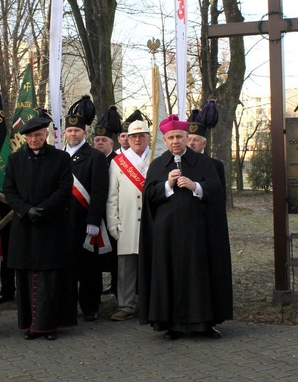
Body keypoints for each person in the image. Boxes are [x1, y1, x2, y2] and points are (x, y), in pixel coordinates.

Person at [139, 114, 233, 340]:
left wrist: (196, 186)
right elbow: (149, 196)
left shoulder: (204, 163)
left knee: (200, 275)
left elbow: (217, 192)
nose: (175, 141)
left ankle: (204, 324)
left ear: (186, 137)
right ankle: (173, 325)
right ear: (165, 139)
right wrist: (167, 185)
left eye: (179, 137)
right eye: (170, 137)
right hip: (167, 234)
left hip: (198, 232)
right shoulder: (158, 164)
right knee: (170, 276)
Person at [3, 115, 76, 340]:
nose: (34, 139)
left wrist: (42, 210)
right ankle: (29, 323)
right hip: (24, 226)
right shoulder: (15, 160)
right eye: (30, 136)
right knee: (26, 277)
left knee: (49, 277)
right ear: (25, 138)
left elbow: (64, 189)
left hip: (50, 225)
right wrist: (26, 210)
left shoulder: (61, 158)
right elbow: (9, 190)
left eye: (38, 135)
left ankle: (49, 325)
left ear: (46, 135)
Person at [63, 98, 109, 322]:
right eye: (70, 130)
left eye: (77, 130)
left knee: (89, 267)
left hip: (85, 219)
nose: (73, 134)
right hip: (63, 221)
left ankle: (90, 306)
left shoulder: (96, 157)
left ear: (84, 132)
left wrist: (94, 220)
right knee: (67, 266)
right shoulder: (58, 156)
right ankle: (68, 305)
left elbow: (100, 192)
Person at [106, 119, 151, 321]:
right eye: (134, 136)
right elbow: (112, 195)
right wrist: (113, 221)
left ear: (149, 138)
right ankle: (126, 305)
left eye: (142, 136)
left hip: (153, 222)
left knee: (153, 264)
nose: (138, 140)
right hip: (126, 220)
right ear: (128, 139)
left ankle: (152, 303)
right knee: (126, 266)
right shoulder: (118, 162)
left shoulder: (157, 159)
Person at [93, 105, 122, 296]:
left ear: (112, 143)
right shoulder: (90, 159)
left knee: (115, 254)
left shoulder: (119, 162)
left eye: (104, 140)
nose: (100, 143)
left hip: (114, 214)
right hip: (95, 213)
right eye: (97, 140)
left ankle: (116, 284)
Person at [187, 100, 226, 193]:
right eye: (188, 139)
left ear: (204, 143)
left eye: (195, 140)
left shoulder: (216, 166)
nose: (191, 143)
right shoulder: (177, 162)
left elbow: (219, 196)